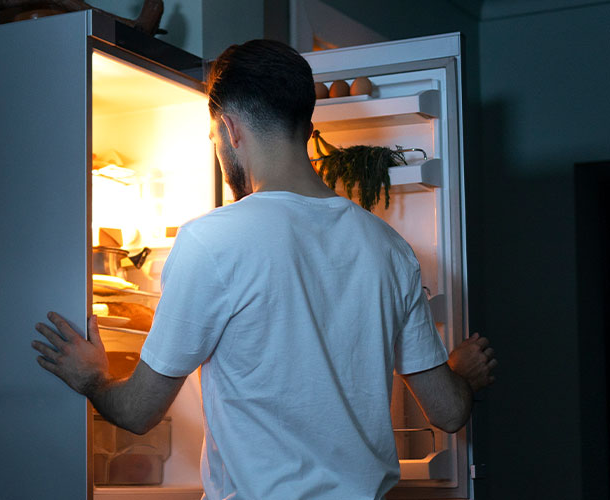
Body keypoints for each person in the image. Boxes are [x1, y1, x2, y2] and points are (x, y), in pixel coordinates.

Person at [32, 39, 497, 499]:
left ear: (230, 129)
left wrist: (92, 376)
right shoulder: (390, 248)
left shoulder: (211, 240)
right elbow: (450, 411)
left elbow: (137, 413)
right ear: (304, 123)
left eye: (214, 137)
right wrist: (458, 371)